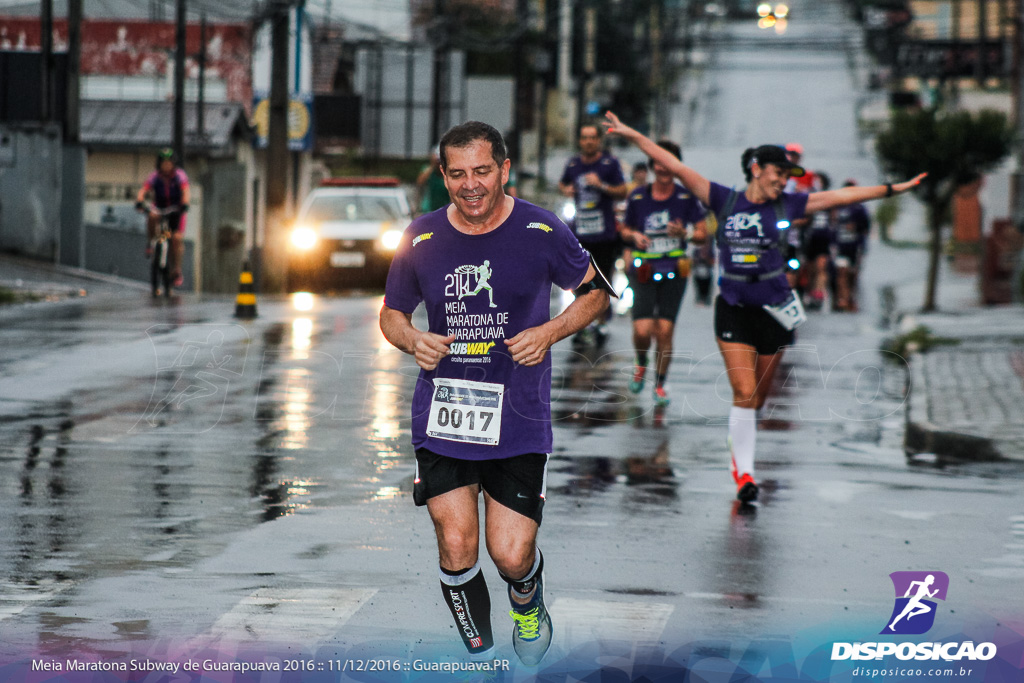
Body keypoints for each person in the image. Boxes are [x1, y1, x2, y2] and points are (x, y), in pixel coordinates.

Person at [603, 110, 925, 503]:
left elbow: (841, 196)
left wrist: (896, 188)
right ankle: (745, 476)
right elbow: (671, 163)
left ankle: (743, 454)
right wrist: (630, 131)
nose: (784, 181)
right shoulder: (723, 199)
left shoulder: (789, 206)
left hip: (775, 309)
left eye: (788, 176)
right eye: (779, 173)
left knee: (758, 398)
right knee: (743, 391)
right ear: (756, 168)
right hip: (734, 305)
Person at [379, 121, 612, 664]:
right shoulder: (421, 236)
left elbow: (597, 293)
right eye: (457, 174)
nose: (471, 185)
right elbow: (391, 314)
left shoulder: (542, 230)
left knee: (509, 554)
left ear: (504, 170)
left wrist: (548, 332)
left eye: (482, 171)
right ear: (443, 176)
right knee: (457, 543)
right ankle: (481, 661)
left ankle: (527, 603)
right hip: (445, 414)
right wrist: (414, 339)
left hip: (519, 415)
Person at [620, 140, 707, 407]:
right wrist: (635, 235)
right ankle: (641, 361)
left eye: (669, 162)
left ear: (677, 167)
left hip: (675, 271)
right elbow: (624, 230)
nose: (663, 167)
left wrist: (687, 234)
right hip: (644, 270)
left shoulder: (686, 197)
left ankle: (660, 383)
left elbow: (703, 234)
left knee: (665, 330)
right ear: (652, 166)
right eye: (659, 162)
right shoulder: (637, 197)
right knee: (643, 329)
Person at [558, 123, 628, 345]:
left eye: (592, 138)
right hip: (580, 235)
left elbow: (622, 191)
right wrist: (566, 189)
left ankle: (601, 324)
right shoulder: (574, 163)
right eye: (584, 137)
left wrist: (602, 186)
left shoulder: (609, 163)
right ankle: (581, 324)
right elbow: (562, 182)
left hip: (604, 235)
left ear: (598, 141)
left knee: (603, 281)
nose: (588, 141)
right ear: (579, 140)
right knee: (579, 282)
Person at [136, 148, 190, 287]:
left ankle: (176, 269)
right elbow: (144, 190)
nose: (166, 166)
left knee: (176, 238)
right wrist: (140, 200)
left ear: (173, 164)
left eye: (169, 163)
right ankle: (151, 242)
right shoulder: (155, 176)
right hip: (159, 208)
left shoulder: (179, 176)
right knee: (152, 215)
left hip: (175, 210)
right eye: (163, 163)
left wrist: (184, 204)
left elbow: (185, 191)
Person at [832, 179, 871, 311]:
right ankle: (842, 299)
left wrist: (855, 228)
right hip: (840, 246)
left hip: (855, 247)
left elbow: (866, 228)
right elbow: (831, 225)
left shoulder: (860, 209)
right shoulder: (837, 207)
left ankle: (851, 298)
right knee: (841, 272)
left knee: (852, 275)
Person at [416, 146, 450, 214]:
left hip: (443, 210)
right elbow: (420, 182)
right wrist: (432, 165)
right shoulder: (428, 170)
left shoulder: (448, 173)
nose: (439, 163)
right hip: (428, 210)